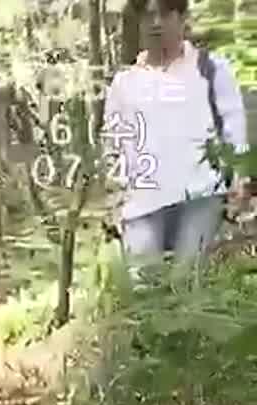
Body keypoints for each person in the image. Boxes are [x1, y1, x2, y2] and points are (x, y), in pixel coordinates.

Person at [102, 0, 250, 272]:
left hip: (201, 193)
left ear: (182, 17)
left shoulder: (211, 69)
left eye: (165, 13)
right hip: (143, 199)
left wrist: (238, 178)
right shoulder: (125, 83)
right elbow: (114, 143)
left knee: (187, 279)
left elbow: (233, 125)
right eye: (149, 15)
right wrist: (115, 196)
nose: (156, 23)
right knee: (144, 283)